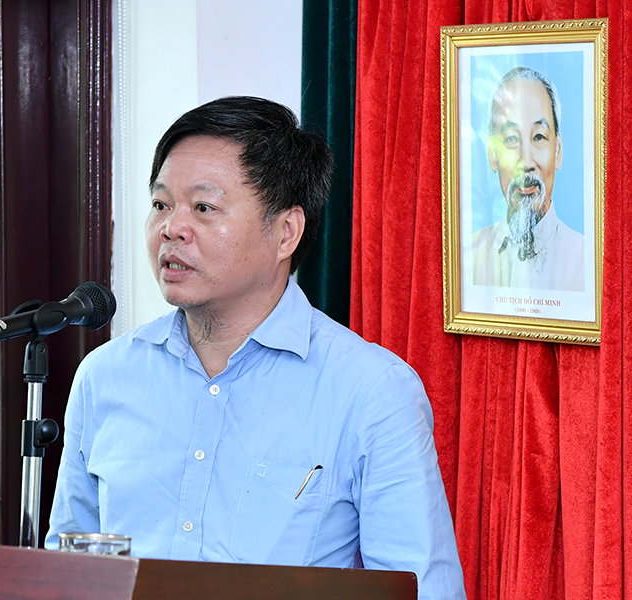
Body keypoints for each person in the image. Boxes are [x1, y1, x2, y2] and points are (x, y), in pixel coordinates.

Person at [45, 96, 466, 600]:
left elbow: (424, 590)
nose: (171, 228)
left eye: (203, 207)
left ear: (285, 232)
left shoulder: (371, 392)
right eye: (161, 205)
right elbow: (68, 574)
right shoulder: (104, 377)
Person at [472, 66, 585, 291]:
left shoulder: (586, 261)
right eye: (511, 139)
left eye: (539, 137)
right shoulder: (470, 257)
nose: (526, 162)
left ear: (558, 151)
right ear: (492, 155)